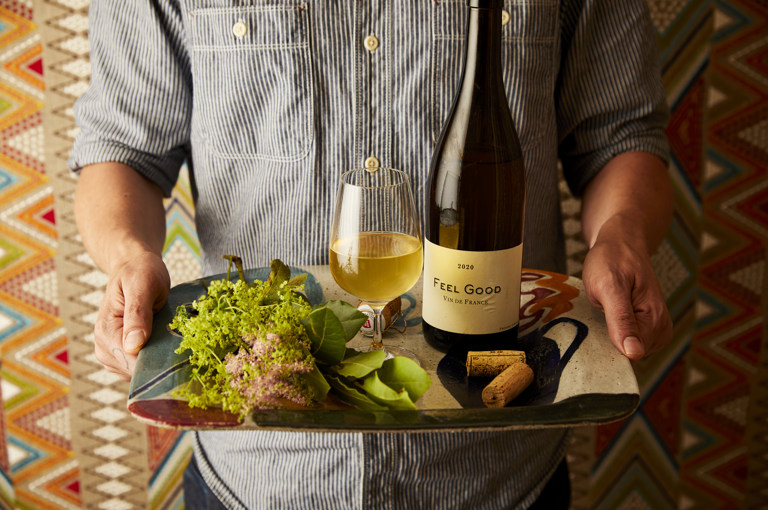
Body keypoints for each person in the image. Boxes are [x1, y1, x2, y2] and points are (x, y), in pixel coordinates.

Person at [70, 0, 674, 508]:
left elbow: (621, 135)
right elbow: (123, 148)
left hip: (496, 473)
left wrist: (622, 237)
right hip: (258, 473)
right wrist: (128, 255)